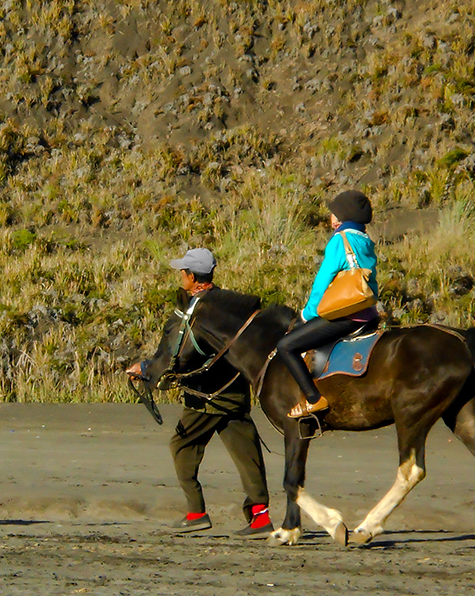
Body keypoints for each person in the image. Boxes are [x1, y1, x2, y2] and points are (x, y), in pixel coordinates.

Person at [127, 248, 273, 537]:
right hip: (235, 392)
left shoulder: (197, 312)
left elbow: (180, 354)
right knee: (247, 454)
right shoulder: (224, 306)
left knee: (181, 447)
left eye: (182, 272)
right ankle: (260, 517)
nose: (180, 276)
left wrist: (146, 368)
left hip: (207, 397)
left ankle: (196, 513)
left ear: (192, 277)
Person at [278, 190, 380, 419]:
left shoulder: (339, 241)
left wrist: (308, 313)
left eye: (333, 212)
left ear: (340, 217)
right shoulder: (365, 241)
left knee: (286, 346)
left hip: (346, 316)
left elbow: (322, 283)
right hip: (368, 313)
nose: (330, 216)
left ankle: (314, 400)